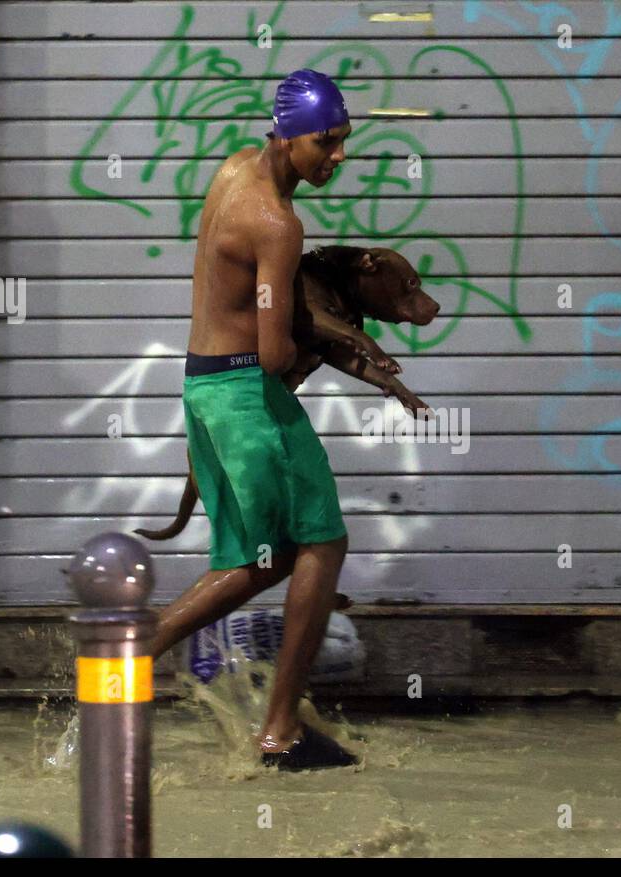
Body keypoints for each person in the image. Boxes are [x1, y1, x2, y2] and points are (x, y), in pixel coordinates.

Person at [149, 69, 357, 771]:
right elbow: (272, 353)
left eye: (344, 141)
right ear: (290, 138)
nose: (337, 156)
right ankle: (278, 731)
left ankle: (121, 667)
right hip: (245, 394)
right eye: (326, 142)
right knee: (318, 545)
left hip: (203, 389)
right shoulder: (278, 224)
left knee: (260, 559)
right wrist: (325, 338)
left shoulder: (235, 166)